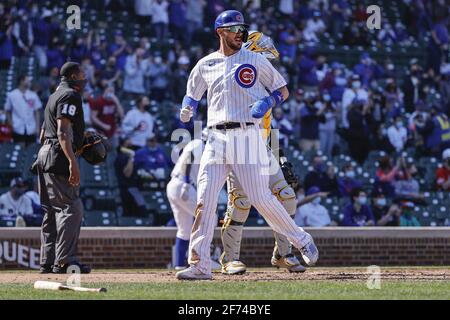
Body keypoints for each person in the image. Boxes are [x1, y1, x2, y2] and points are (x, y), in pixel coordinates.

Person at [176, 10, 318, 280]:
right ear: (220, 31)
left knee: (261, 198)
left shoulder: (254, 59)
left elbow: (282, 89)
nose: (240, 33)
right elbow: (192, 94)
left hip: (247, 135)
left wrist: (269, 102)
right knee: (204, 201)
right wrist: (187, 108)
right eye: (234, 29)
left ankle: (301, 240)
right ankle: (200, 265)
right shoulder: (205, 63)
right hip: (215, 137)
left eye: (242, 28)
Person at [36, 61, 90, 274]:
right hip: (58, 155)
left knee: (50, 211)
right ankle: (65, 261)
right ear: (74, 77)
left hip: (44, 154)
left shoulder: (53, 96)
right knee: (71, 208)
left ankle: (47, 261)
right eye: (82, 74)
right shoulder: (70, 95)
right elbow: (63, 131)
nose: (85, 78)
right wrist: (72, 162)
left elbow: (43, 135)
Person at [167, 135, 204, 270]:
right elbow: (188, 159)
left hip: (176, 185)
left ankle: (179, 265)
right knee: (208, 217)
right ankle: (203, 258)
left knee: (184, 230)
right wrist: (186, 183)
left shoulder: (203, 145)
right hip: (182, 184)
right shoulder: (199, 143)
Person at [4, 74, 43, 146]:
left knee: (31, 149)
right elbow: (7, 110)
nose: (29, 82)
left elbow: (37, 112)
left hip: (31, 127)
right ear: (21, 81)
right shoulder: (12, 95)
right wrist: (11, 123)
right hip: (17, 127)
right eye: (27, 80)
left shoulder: (33, 95)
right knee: (19, 148)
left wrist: (37, 127)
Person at [114, 138, 147, 217]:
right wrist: (131, 158)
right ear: (122, 146)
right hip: (126, 189)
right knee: (138, 211)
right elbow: (127, 174)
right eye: (128, 145)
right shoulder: (121, 157)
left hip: (133, 188)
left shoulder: (132, 156)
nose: (130, 147)